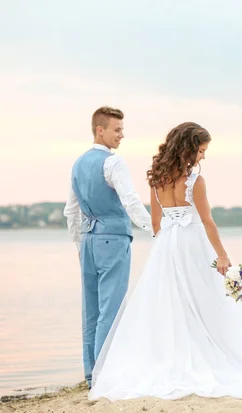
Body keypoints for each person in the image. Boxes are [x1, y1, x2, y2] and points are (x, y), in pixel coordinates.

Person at [88, 121, 242, 400]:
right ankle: (208, 352)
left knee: (172, 303)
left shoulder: (156, 179)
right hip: (193, 244)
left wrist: (167, 246)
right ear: (189, 149)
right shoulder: (195, 181)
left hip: (167, 246)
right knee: (205, 301)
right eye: (202, 151)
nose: (203, 156)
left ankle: (177, 355)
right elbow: (207, 222)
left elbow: (156, 224)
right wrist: (222, 255)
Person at [63, 106, 153, 388]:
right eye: (117, 130)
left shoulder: (78, 164)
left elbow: (71, 211)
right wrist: (155, 229)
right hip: (112, 240)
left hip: (88, 242)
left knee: (90, 312)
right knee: (110, 310)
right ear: (100, 130)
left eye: (122, 130)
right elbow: (131, 202)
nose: (121, 135)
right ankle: (105, 376)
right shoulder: (113, 163)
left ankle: (91, 375)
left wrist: (80, 246)